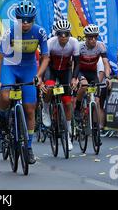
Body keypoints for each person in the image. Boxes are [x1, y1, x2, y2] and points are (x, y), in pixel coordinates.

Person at [0, 1, 50, 164]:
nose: (25, 24)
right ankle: (3, 127)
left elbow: (46, 57)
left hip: (29, 69)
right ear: (17, 20)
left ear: (33, 20)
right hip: (10, 67)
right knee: (4, 96)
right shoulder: (10, 32)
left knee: (30, 109)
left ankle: (29, 147)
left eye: (28, 20)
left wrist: (39, 76)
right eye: (22, 20)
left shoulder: (40, 32)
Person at [41, 19, 79, 151]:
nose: (63, 37)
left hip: (65, 71)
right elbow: (43, 61)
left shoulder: (74, 43)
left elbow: (77, 63)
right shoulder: (50, 43)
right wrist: (40, 79)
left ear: (69, 34)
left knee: (67, 103)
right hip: (51, 70)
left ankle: (68, 136)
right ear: (56, 34)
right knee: (49, 88)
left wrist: (74, 78)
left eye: (66, 34)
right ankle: (45, 108)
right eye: (61, 34)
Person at [74, 24, 111, 137]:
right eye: (90, 37)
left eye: (95, 37)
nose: (93, 39)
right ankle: (78, 107)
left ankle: (96, 128)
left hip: (92, 73)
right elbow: (74, 65)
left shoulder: (101, 46)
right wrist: (75, 78)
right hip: (81, 71)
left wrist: (108, 77)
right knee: (84, 86)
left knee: (97, 100)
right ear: (86, 37)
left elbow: (105, 63)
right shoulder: (79, 47)